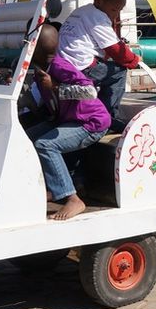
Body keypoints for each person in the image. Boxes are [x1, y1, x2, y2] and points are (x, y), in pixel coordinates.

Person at [27, 24, 112, 219]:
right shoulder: (41, 68)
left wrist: (55, 87)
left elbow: (89, 91)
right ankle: (52, 187)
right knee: (27, 138)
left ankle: (72, 198)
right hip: (66, 119)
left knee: (45, 145)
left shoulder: (59, 66)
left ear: (36, 49)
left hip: (90, 123)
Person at [57, 0, 141, 127]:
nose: (115, 16)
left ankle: (93, 108)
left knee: (106, 69)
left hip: (64, 66)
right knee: (118, 72)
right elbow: (115, 50)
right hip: (82, 66)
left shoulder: (80, 12)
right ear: (99, 1)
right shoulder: (98, 17)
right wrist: (134, 60)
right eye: (114, 10)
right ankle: (108, 117)